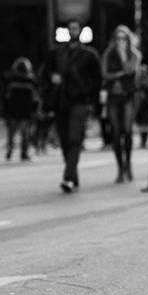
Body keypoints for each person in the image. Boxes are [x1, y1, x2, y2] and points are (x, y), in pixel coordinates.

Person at [41, 19, 102, 193]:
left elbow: (97, 80)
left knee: (75, 139)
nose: (73, 31)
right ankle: (72, 174)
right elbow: (44, 73)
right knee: (65, 140)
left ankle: (67, 177)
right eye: (70, 28)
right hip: (61, 101)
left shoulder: (89, 55)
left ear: (81, 31)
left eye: (76, 28)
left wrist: (87, 93)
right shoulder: (57, 53)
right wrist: (52, 78)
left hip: (79, 101)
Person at [102, 25, 140, 182]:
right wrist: (118, 74)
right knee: (116, 133)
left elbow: (130, 71)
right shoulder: (108, 54)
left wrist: (123, 55)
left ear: (128, 39)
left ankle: (128, 163)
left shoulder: (134, 54)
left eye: (124, 38)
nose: (120, 41)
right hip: (113, 96)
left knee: (127, 130)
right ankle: (120, 168)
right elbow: (105, 74)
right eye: (117, 38)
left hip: (128, 96)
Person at [4, 57, 39, 162]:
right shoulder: (31, 81)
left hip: (13, 111)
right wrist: (34, 110)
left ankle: (9, 151)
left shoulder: (11, 81)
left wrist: (6, 110)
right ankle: (24, 153)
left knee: (11, 133)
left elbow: (6, 97)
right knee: (25, 134)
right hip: (25, 111)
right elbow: (35, 98)